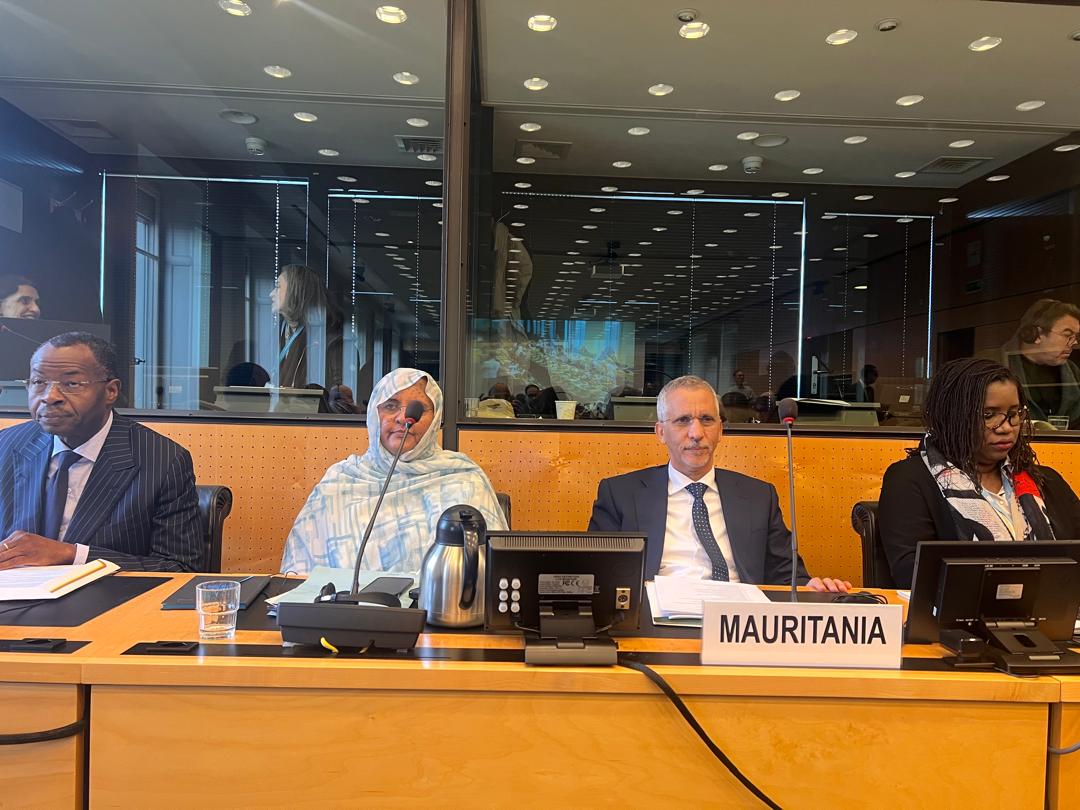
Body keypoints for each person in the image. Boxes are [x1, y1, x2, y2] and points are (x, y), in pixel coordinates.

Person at [587, 375, 849, 591]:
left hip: (737, 621)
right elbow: (597, 576)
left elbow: (786, 575)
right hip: (656, 617)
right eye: (683, 421)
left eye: (707, 420)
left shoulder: (759, 496)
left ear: (720, 430)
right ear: (661, 432)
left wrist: (810, 587)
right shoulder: (620, 494)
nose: (696, 433)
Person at [0, 332, 202, 571]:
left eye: (71, 384)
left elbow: (180, 567)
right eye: (38, 382)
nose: (50, 397)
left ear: (111, 391)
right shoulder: (7, 445)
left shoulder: (162, 460)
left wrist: (74, 555)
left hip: (105, 594)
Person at [281, 368, 508, 575]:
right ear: (374, 414)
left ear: (435, 419)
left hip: (440, 606)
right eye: (390, 406)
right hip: (346, 607)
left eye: (418, 409)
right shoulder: (339, 482)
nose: (403, 418)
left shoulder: (464, 479)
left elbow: (493, 571)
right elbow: (298, 573)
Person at [878, 358, 1080, 589]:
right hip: (959, 610)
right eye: (988, 415)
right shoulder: (909, 479)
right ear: (953, 416)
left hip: (1053, 609)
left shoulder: (1045, 481)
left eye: (1014, 413)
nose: (1006, 427)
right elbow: (912, 574)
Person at [270, 264, 351, 413]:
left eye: (278, 287)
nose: (271, 294)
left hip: (310, 423)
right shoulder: (279, 336)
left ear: (296, 292)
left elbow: (341, 404)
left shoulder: (331, 343)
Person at [1001, 298, 1080, 428]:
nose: (1075, 342)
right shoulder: (997, 363)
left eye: (1076, 336)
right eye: (1067, 334)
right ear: (1036, 334)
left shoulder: (1073, 371)